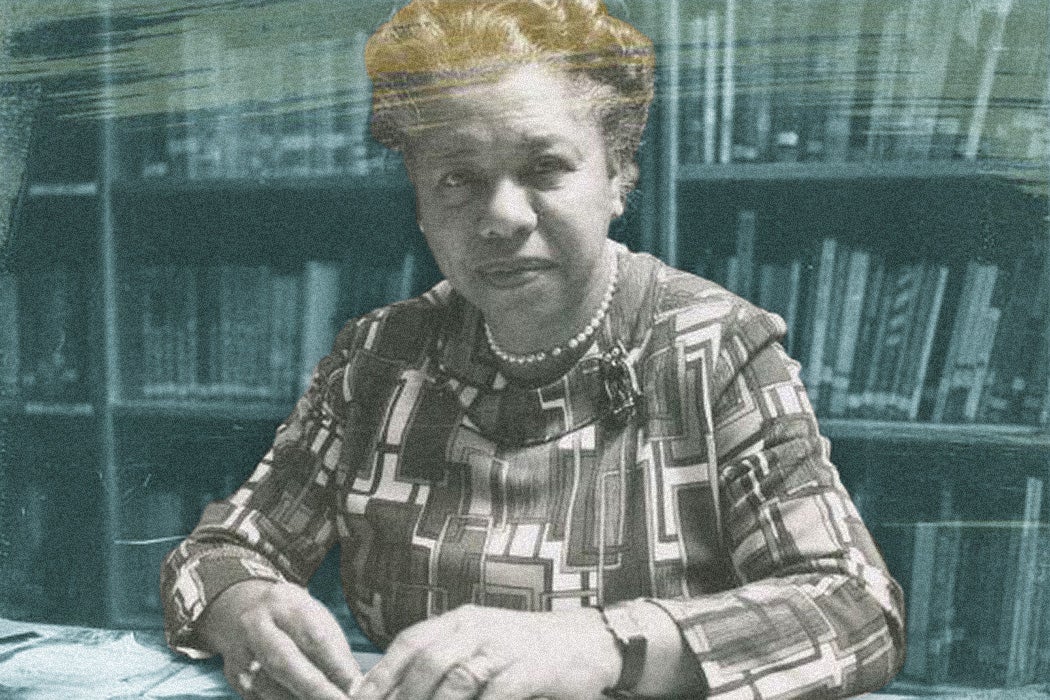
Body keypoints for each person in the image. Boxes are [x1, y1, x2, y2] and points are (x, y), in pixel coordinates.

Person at [161, 1, 906, 698]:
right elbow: (216, 551)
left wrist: (598, 644)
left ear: (618, 177)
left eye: (546, 167)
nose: (501, 217)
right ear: (419, 202)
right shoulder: (380, 358)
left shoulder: (715, 349)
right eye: (457, 180)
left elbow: (856, 608)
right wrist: (244, 604)